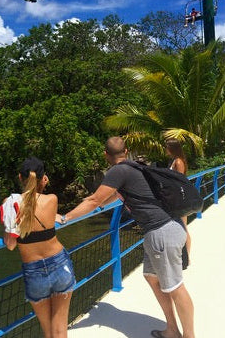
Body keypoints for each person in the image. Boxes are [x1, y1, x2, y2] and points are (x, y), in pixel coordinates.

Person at [60, 137, 193, 338]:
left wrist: (65, 217)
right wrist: (101, 202)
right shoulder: (135, 167)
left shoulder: (117, 171)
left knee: (175, 287)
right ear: (126, 151)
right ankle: (172, 329)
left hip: (161, 232)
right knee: (151, 276)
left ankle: (189, 335)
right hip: (164, 228)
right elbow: (116, 195)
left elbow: (95, 199)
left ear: (106, 155)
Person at [1, 157, 72, 338]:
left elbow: (10, 245)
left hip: (34, 271)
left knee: (48, 331)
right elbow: (40, 204)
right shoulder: (52, 200)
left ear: (19, 177)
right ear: (43, 179)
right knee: (60, 330)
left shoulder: (10, 204)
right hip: (60, 262)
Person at [164, 138, 192, 269]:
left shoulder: (179, 161)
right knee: (180, 228)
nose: (165, 150)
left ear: (172, 148)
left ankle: (187, 258)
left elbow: (180, 181)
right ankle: (183, 258)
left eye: (166, 147)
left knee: (183, 228)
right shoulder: (174, 160)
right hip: (174, 199)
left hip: (180, 200)